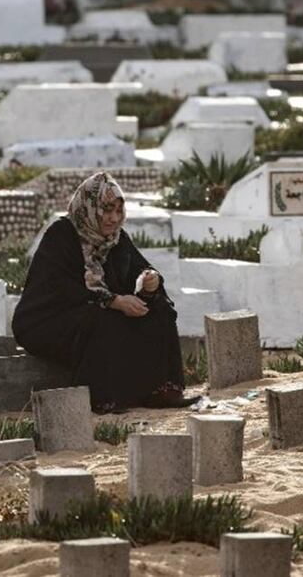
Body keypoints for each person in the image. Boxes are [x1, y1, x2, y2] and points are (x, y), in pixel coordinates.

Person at [12, 171, 196, 413]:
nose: (113, 219)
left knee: (160, 308)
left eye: (118, 212)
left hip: (97, 313)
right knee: (100, 319)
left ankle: (161, 390)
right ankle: (102, 397)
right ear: (90, 208)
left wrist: (149, 282)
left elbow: (141, 270)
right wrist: (113, 301)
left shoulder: (117, 239)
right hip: (47, 322)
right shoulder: (61, 235)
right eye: (106, 211)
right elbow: (62, 290)